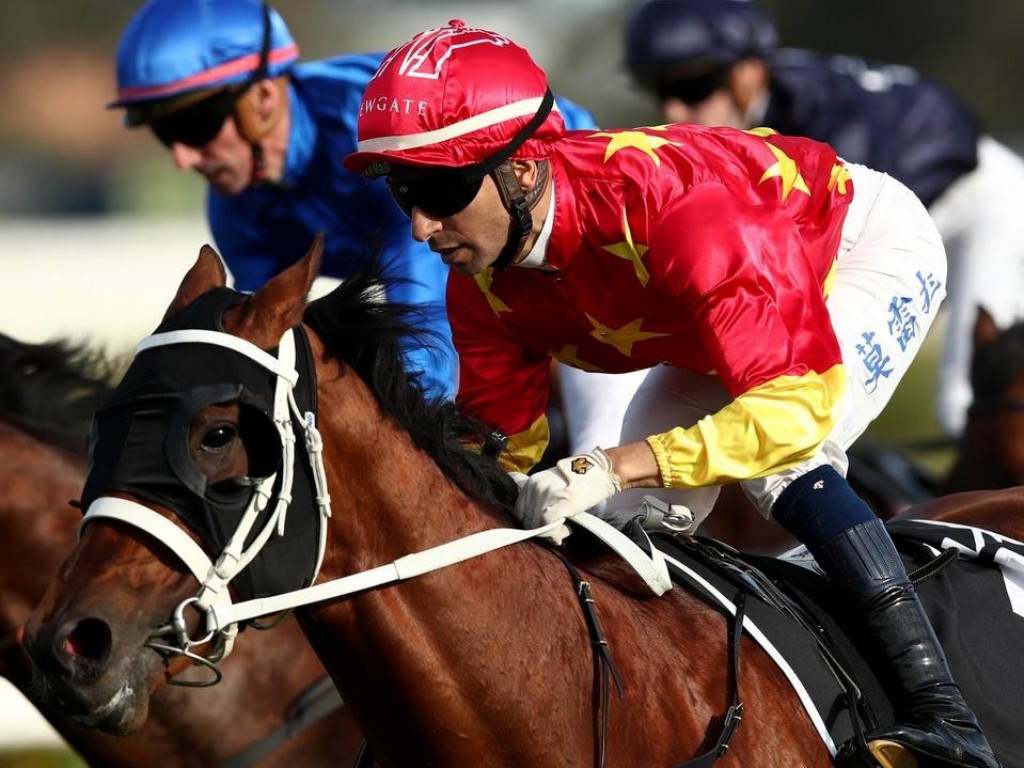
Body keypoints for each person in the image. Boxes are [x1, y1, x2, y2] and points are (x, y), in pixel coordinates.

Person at [342, 20, 1000, 768]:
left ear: (523, 169)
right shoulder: (484, 282)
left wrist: (617, 463)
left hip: (855, 250)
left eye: (439, 190)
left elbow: (791, 411)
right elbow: (497, 454)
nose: (423, 226)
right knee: (622, 524)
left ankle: (945, 715)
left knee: (775, 461)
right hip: (724, 304)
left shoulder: (682, 212)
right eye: (404, 193)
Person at [107, 0, 601, 403]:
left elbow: (424, 315)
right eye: (160, 133)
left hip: (574, 231)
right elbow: (264, 342)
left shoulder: (362, 130)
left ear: (261, 98)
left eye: (190, 127)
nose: (181, 157)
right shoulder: (237, 210)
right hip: (475, 265)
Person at [623, 0, 1024, 438]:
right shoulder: (773, 105)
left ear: (749, 71)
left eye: (696, 86)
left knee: (961, 402)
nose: (673, 111)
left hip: (978, 206)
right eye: (659, 89)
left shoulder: (827, 119)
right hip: (918, 211)